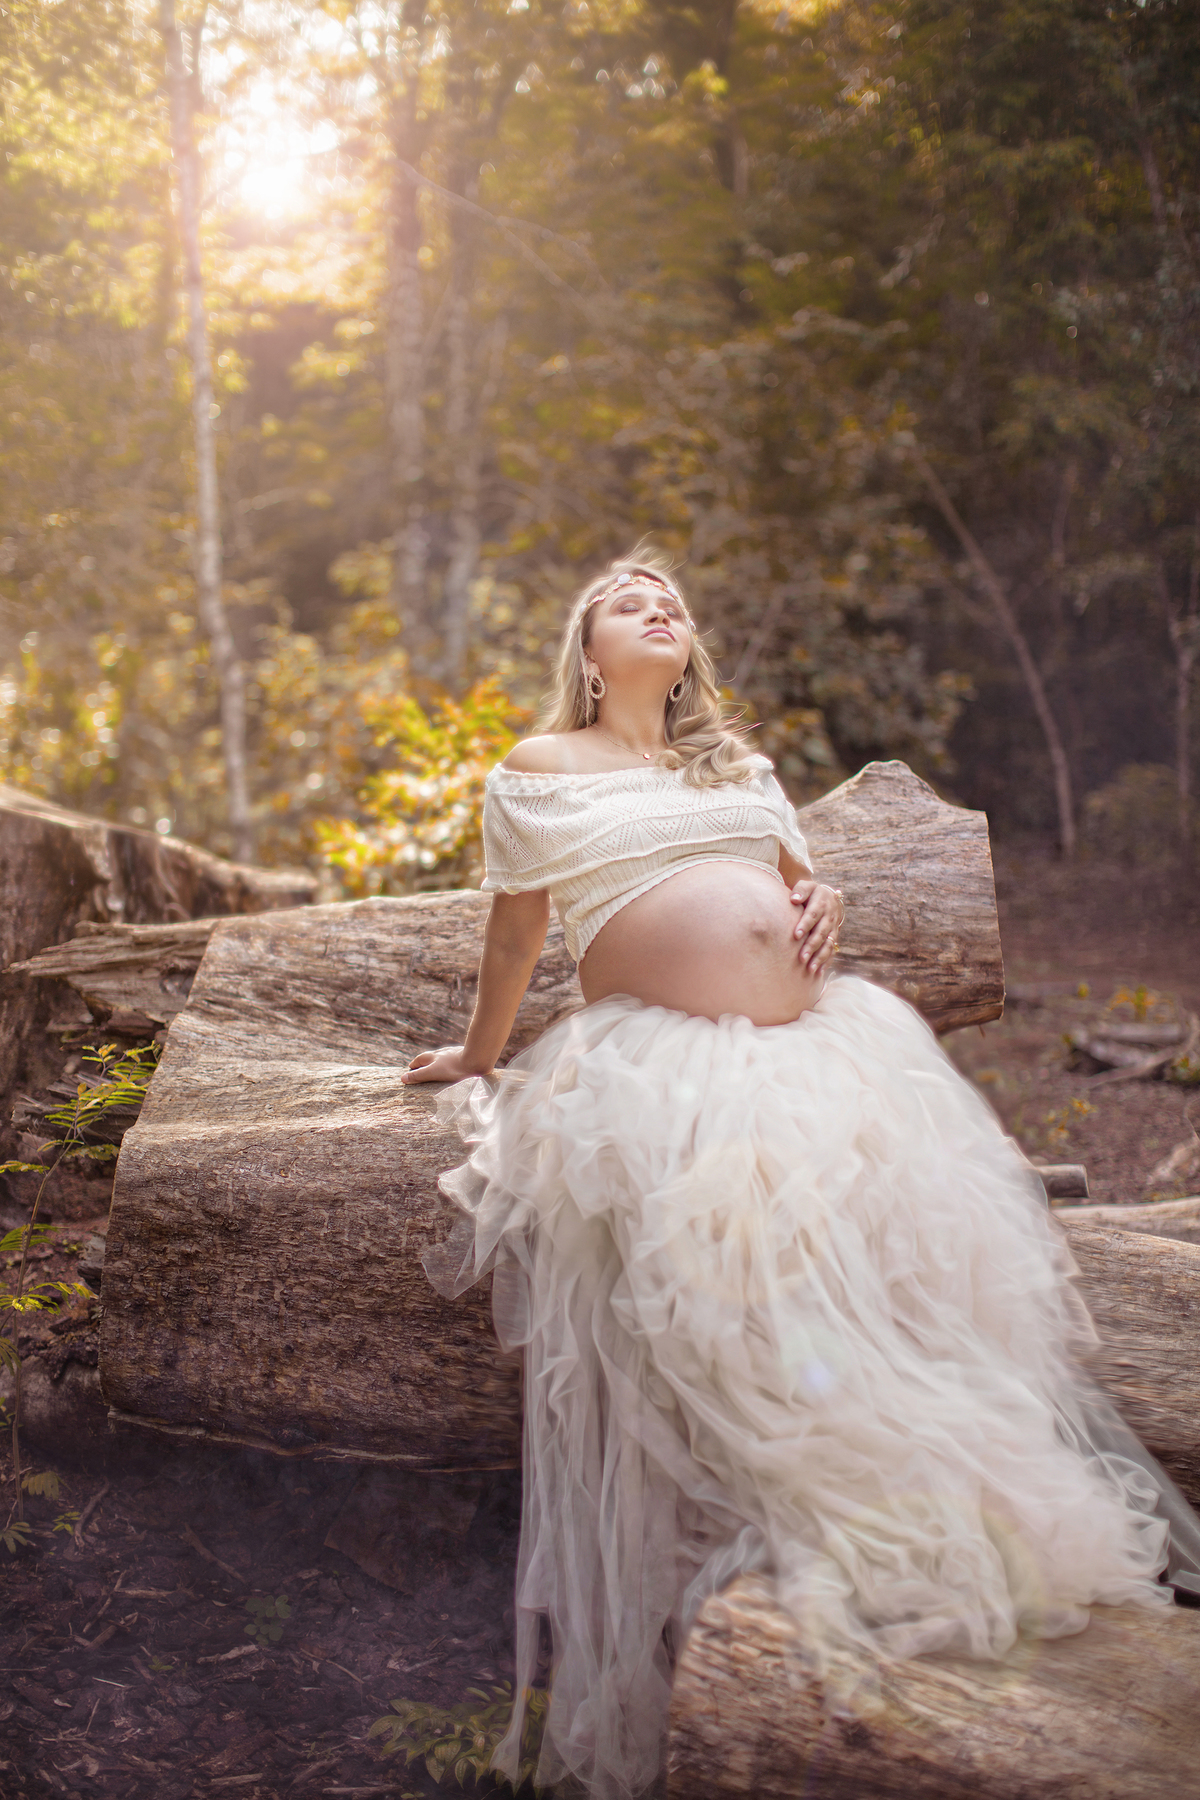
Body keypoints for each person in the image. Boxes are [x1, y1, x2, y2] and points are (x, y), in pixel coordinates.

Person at [402, 553, 1200, 1800]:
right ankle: (808, 1531)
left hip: (821, 1046)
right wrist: (478, 1054)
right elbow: (519, 928)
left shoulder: (737, 767)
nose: (659, 604)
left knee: (897, 1284)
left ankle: (955, 1505)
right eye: (628, 599)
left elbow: (791, 893)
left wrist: (816, 900)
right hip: (657, 1064)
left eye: (672, 595)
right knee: (734, 1282)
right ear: (592, 653)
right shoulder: (539, 769)